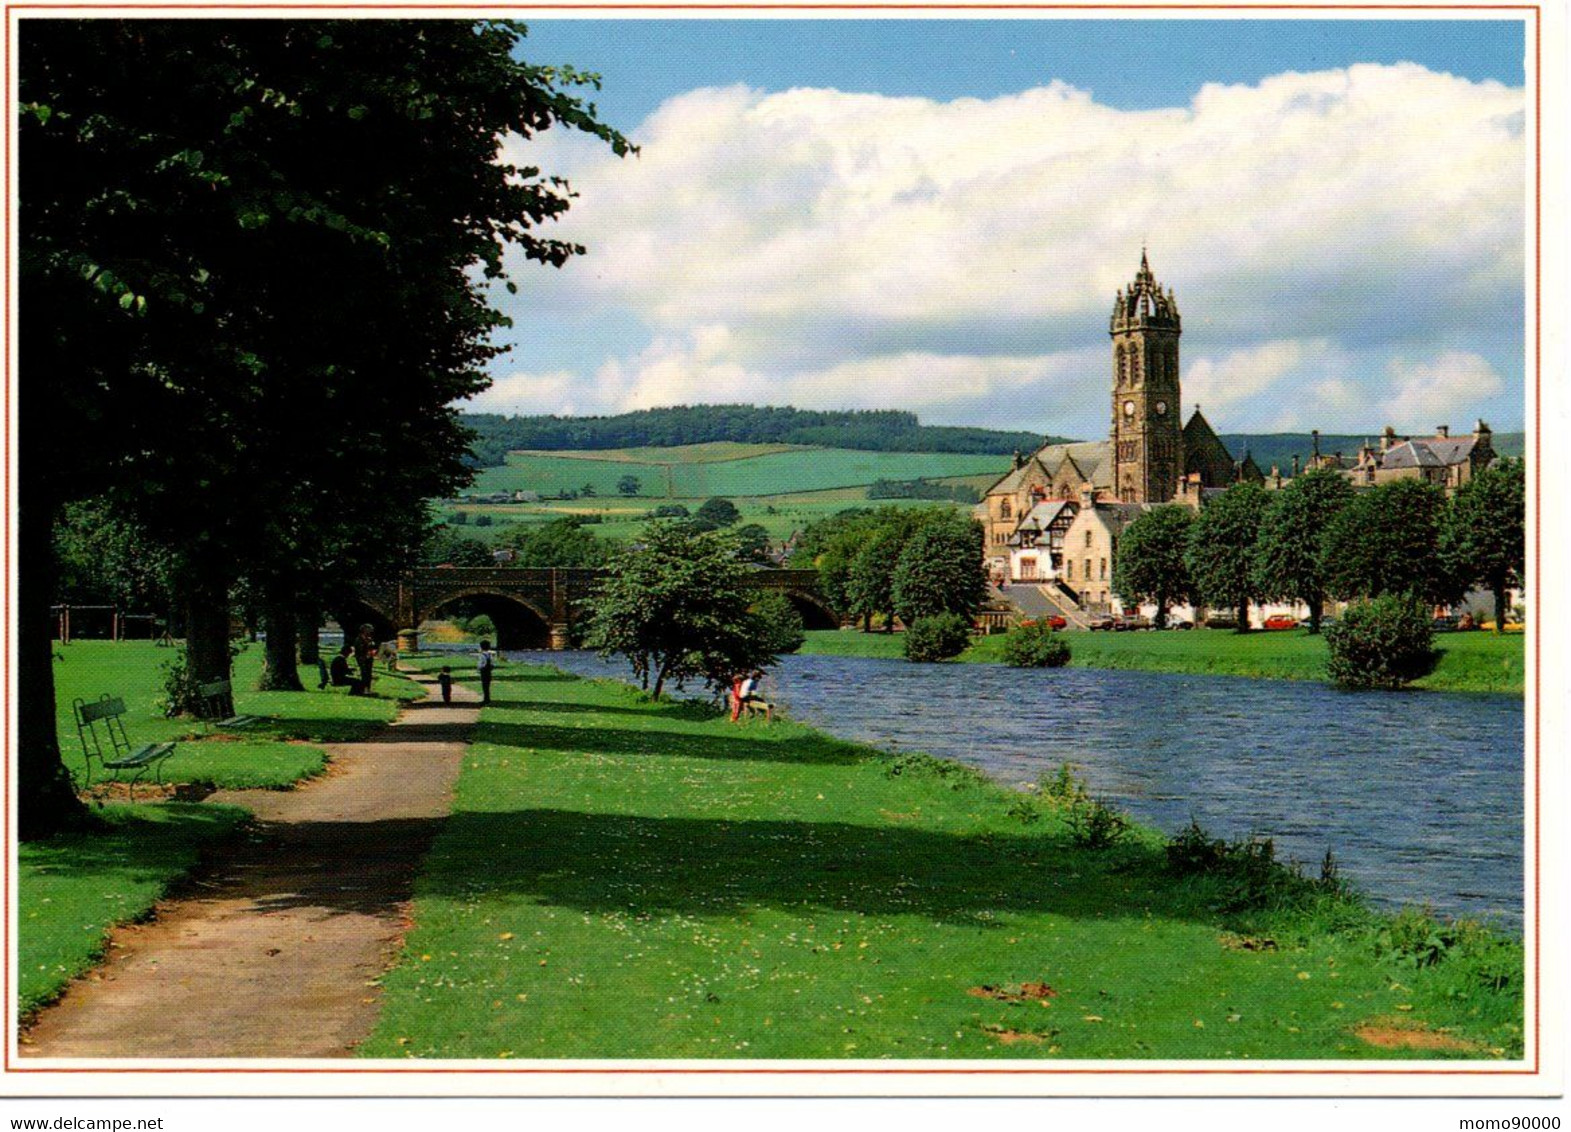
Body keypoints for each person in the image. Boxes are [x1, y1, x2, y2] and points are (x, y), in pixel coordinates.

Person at [354, 625, 377, 694]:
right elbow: (360, 650)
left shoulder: (369, 639)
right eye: (368, 631)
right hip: (362, 659)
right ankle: (363, 689)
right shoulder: (359, 639)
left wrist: (372, 650)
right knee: (364, 674)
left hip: (369, 659)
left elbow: (372, 647)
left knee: (369, 674)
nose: (370, 633)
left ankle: (368, 689)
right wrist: (367, 652)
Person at [476, 639, 497, 704]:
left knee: (484, 686)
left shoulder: (482, 655)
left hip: (483, 671)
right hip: (489, 672)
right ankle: (487, 699)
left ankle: (486, 700)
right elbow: (493, 663)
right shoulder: (491, 655)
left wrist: (479, 669)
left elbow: (481, 664)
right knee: (487, 686)